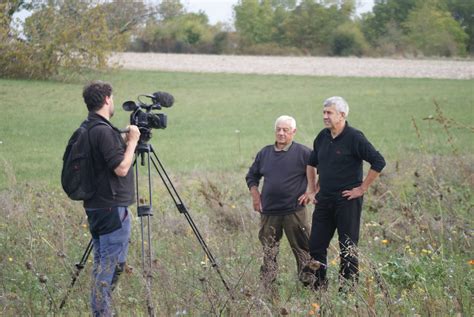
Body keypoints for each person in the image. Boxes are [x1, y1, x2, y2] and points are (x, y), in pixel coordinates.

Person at [307, 96, 385, 290]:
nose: (325, 116)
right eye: (324, 112)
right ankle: (319, 289)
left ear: (342, 115)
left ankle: (348, 291)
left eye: (329, 112)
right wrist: (312, 188)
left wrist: (362, 188)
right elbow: (311, 163)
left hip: (347, 200)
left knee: (347, 247)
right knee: (316, 245)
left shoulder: (354, 137)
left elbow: (378, 162)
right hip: (324, 200)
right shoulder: (322, 137)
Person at [82, 80, 140, 316]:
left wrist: (125, 145)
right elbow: (121, 169)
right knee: (108, 268)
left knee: (103, 265)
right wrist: (134, 142)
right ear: (106, 99)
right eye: (112, 97)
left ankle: (102, 310)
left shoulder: (87, 128)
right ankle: (102, 313)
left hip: (96, 207)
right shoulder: (103, 131)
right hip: (111, 209)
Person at [245, 115, 316, 291]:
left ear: (294, 132)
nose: (281, 133)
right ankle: (267, 287)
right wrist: (255, 195)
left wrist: (312, 191)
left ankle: (309, 286)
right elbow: (252, 176)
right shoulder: (265, 153)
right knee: (269, 251)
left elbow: (325, 171)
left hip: (294, 211)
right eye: (278, 129)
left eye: (285, 130)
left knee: (302, 249)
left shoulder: (304, 153)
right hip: (269, 212)